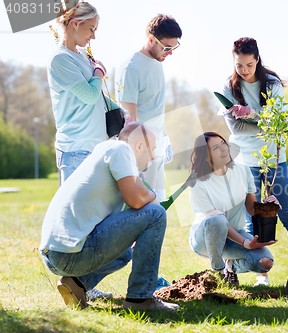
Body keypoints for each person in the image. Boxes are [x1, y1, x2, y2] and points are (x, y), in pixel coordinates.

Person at [40, 122, 179, 312]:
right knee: (156, 214)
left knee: (124, 253)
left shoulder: (105, 149)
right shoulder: (121, 149)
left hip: (55, 253)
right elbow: (135, 201)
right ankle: (140, 300)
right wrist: (154, 195)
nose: (154, 157)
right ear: (139, 146)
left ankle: (76, 284)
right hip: (69, 254)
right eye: (152, 150)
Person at [47, 1, 124, 301]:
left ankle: (82, 285)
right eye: (91, 29)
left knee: (99, 224)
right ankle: (79, 284)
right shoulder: (59, 59)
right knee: (80, 225)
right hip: (75, 150)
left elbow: (100, 98)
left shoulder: (80, 56)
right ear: (75, 24)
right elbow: (90, 92)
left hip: (94, 149)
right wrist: (100, 72)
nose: (93, 36)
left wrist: (122, 115)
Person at [220, 37, 288, 287]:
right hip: (244, 162)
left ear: (257, 59)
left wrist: (250, 113)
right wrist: (262, 120)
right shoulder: (228, 87)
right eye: (239, 65)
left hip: (274, 159)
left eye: (249, 64)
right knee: (253, 218)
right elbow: (236, 130)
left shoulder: (271, 83)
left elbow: (278, 124)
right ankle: (262, 274)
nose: (244, 70)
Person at [188, 132, 279, 286]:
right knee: (217, 218)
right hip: (205, 239)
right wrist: (244, 242)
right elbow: (216, 220)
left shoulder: (243, 170)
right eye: (216, 148)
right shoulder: (197, 182)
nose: (224, 149)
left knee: (265, 262)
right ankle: (218, 271)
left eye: (224, 143)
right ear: (206, 156)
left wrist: (267, 207)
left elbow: (251, 209)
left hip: (234, 235)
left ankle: (229, 266)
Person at [116, 14, 182, 201]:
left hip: (156, 147)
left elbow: (154, 107)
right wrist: (143, 154)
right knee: (145, 207)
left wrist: (164, 136)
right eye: (167, 47)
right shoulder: (132, 68)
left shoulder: (157, 63)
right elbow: (129, 124)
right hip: (141, 153)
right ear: (151, 40)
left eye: (174, 47)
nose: (170, 52)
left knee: (159, 204)